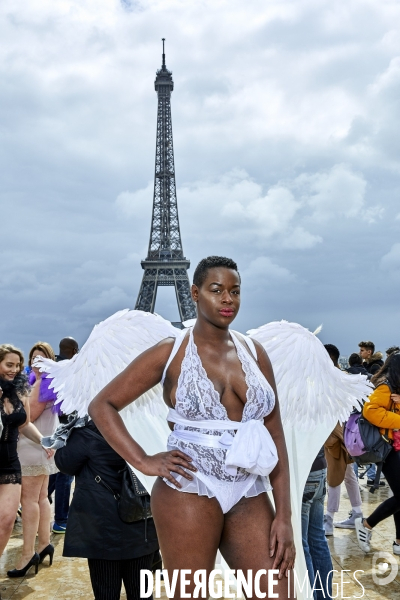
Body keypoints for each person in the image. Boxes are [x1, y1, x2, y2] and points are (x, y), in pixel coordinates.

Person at [89, 256, 295, 598]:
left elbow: (275, 435)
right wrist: (143, 460)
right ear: (195, 294)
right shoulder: (170, 352)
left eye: (235, 291)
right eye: (217, 290)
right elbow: (102, 404)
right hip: (189, 485)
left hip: (248, 487)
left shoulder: (254, 352)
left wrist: (284, 516)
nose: (228, 299)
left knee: (279, 593)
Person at [53, 417, 159, 600]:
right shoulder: (147, 421)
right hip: (142, 521)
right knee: (142, 592)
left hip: (101, 527)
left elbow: (64, 463)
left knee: (106, 593)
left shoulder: (88, 429)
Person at [0, 344, 53, 578]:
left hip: (11, 461)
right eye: (8, 365)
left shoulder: (21, 388)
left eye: (17, 365)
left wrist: (43, 441)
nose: (14, 369)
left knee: (7, 521)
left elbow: (24, 423)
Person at [355, 352, 400, 554]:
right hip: (387, 448)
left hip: (393, 446)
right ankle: (366, 524)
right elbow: (371, 411)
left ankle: (399, 542)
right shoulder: (385, 387)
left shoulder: (394, 387)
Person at [323, 344, 363, 534]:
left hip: (336, 436)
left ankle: (329, 518)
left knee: (334, 475)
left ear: (328, 359)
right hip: (348, 435)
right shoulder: (345, 377)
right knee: (347, 474)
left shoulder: (331, 380)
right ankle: (357, 513)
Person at [48, 336, 79, 534]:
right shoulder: (72, 370)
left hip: (51, 426)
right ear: (75, 350)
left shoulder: (52, 368)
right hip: (67, 427)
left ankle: (33, 501)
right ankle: (61, 519)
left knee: (54, 471)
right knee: (65, 475)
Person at [301, 447, 332, 599]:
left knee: (302, 546)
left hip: (303, 471)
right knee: (318, 539)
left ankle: (310, 595)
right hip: (319, 468)